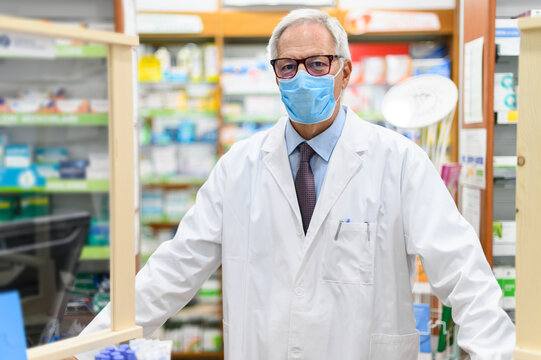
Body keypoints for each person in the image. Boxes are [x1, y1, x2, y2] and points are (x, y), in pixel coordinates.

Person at [76, 8, 515, 360]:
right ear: (276, 75)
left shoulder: (399, 162)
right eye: (288, 66)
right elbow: (174, 268)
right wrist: (86, 347)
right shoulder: (239, 167)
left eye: (317, 63)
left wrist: (495, 353)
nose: (302, 77)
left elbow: (463, 272)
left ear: (344, 73)